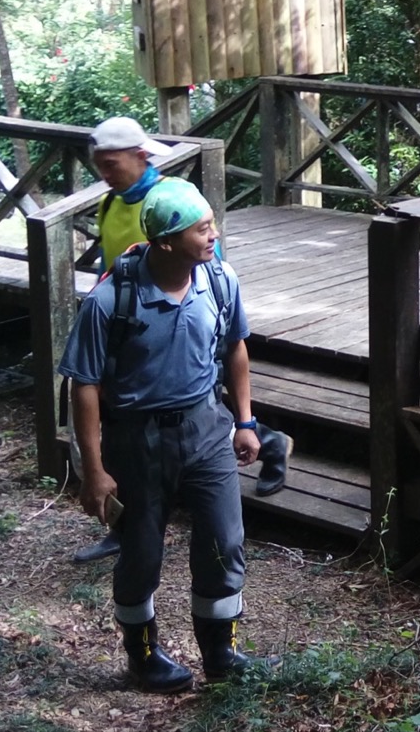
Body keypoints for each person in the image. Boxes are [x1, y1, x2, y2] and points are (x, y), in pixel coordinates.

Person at [61, 177, 275, 691]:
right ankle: (143, 657)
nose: (213, 234)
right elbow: (84, 386)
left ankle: (222, 653)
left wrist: (245, 422)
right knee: (141, 551)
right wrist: (94, 470)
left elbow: (235, 349)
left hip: (206, 428)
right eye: (202, 228)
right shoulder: (109, 301)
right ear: (165, 242)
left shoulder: (219, 281)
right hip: (137, 440)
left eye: (211, 224)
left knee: (225, 540)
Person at [69, 118, 292, 567]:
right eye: (100, 166)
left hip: (185, 331)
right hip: (135, 334)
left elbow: (210, 274)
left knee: (199, 412)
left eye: (111, 164)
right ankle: (127, 530)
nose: (105, 174)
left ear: (141, 156)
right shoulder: (112, 204)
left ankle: (265, 439)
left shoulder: (173, 202)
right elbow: (109, 269)